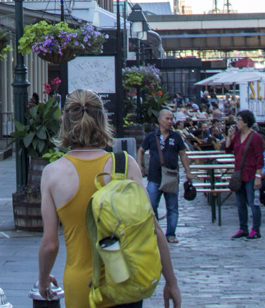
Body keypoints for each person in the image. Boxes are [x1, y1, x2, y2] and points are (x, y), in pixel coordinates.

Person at [38, 90, 181, 308]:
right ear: (104, 120)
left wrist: (43, 280)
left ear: (64, 122)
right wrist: (171, 282)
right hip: (124, 282)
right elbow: (154, 229)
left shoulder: (52, 173)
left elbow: (50, 245)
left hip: (82, 286)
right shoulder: (125, 164)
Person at [138, 109, 192, 244]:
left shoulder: (176, 137)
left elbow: (182, 154)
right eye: (167, 119)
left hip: (171, 177)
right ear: (160, 120)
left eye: (171, 119)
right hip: (154, 177)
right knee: (152, 204)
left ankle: (171, 234)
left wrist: (188, 171)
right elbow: (141, 150)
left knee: (172, 207)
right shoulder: (151, 136)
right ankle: (154, 231)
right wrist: (140, 166)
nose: (170, 122)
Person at [224, 109, 265, 240]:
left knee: (253, 203)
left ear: (246, 122)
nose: (237, 123)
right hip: (239, 174)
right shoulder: (237, 136)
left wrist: (258, 177)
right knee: (240, 203)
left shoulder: (255, 137)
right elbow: (228, 149)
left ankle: (256, 229)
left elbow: (260, 158)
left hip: (251, 174)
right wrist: (229, 136)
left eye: (239, 120)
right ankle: (243, 228)